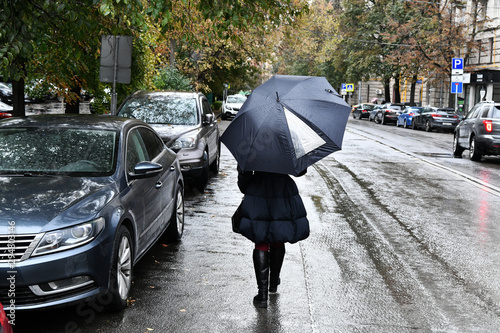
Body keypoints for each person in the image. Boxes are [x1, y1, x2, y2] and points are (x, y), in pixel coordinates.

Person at [236, 166, 309, 308]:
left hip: (259, 190)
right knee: (278, 235)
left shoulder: (254, 144)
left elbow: (244, 174)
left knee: (261, 239)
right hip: (282, 191)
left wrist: (247, 184)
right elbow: (300, 170)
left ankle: (262, 295)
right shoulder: (288, 144)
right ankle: (273, 283)